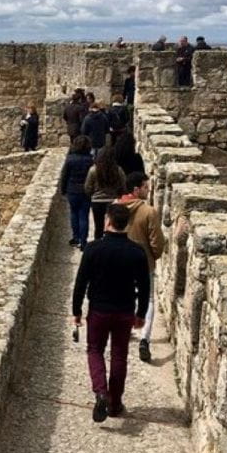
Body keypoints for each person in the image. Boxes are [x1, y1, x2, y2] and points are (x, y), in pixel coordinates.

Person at [72, 202, 150, 421]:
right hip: (124, 311)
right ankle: (115, 404)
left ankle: (100, 392)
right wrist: (141, 314)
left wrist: (76, 310)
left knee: (94, 350)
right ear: (127, 223)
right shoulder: (137, 252)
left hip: (98, 310)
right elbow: (144, 287)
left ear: (107, 221)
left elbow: (81, 283)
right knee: (119, 355)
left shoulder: (93, 248)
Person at [116, 172, 166, 363]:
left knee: (125, 295)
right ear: (136, 189)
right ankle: (144, 338)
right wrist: (154, 256)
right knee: (149, 300)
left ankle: (126, 329)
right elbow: (158, 243)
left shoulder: (116, 207)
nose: (149, 190)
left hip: (120, 261)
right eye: (146, 187)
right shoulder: (149, 212)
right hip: (144, 263)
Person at [84, 145, 126, 241]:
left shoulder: (93, 170)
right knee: (112, 226)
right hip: (113, 201)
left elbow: (87, 187)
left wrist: (92, 195)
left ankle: (98, 244)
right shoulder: (118, 170)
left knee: (98, 226)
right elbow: (123, 186)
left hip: (97, 201)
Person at [59, 135, 94, 249]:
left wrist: (63, 189)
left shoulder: (70, 159)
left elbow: (65, 175)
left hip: (72, 190)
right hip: (85, 191)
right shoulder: (90, 160)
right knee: (84, 215)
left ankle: (76, 238)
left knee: (74, 214)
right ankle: (83, 242)